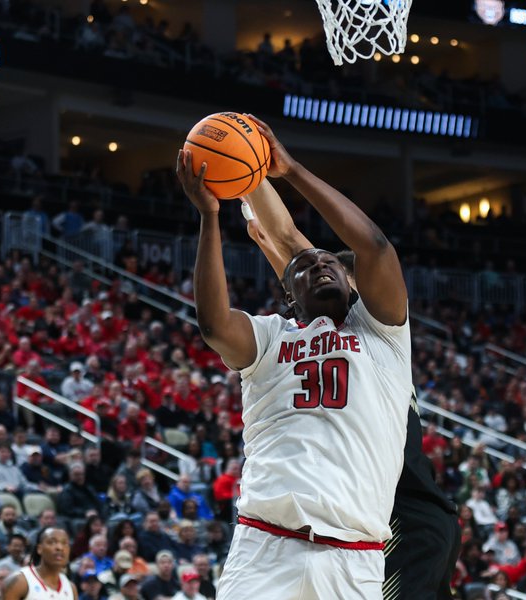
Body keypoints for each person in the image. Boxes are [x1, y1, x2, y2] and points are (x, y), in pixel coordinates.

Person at [177, 116, 411, 599]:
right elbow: (214, 325)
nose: (321, 264)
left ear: (351, 283)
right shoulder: (269, 339)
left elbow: (374, 245)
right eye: (305, 265)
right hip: (266, 545)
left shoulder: (383, 334)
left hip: (355, 556)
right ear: (288, 293)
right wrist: (209, 217)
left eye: (329, 260)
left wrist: (293, 170)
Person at [244, 178, 462, 599]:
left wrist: (254, 178)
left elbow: (290, 240)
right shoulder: (330, 335)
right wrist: (249, 185)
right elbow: (287, 252)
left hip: (401, 521)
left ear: (354, 289)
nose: (319, 275)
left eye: (334, 273)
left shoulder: (377, 332)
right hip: (407, 519)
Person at [0, 528, 75, 600]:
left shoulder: (71, 588)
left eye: (64, 543)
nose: (60, 547)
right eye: (52, 542)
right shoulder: (19, 581)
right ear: (39, 549)